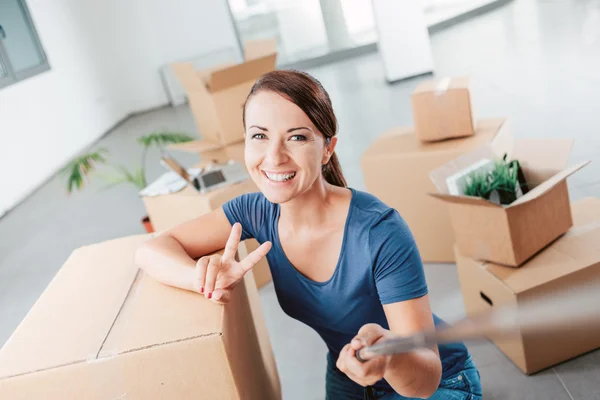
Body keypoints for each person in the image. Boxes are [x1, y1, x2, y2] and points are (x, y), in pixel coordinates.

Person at [135, 70, 482, 400]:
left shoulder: (380, 232)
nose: (274, 157)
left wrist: (389, 357)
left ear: (327, 148)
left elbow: (426, 377)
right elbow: (152, 250)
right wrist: (201, 277)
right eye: (259, 136)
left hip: (436, 380)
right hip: (350, 369)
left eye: (297, 137)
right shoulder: (254, 211)